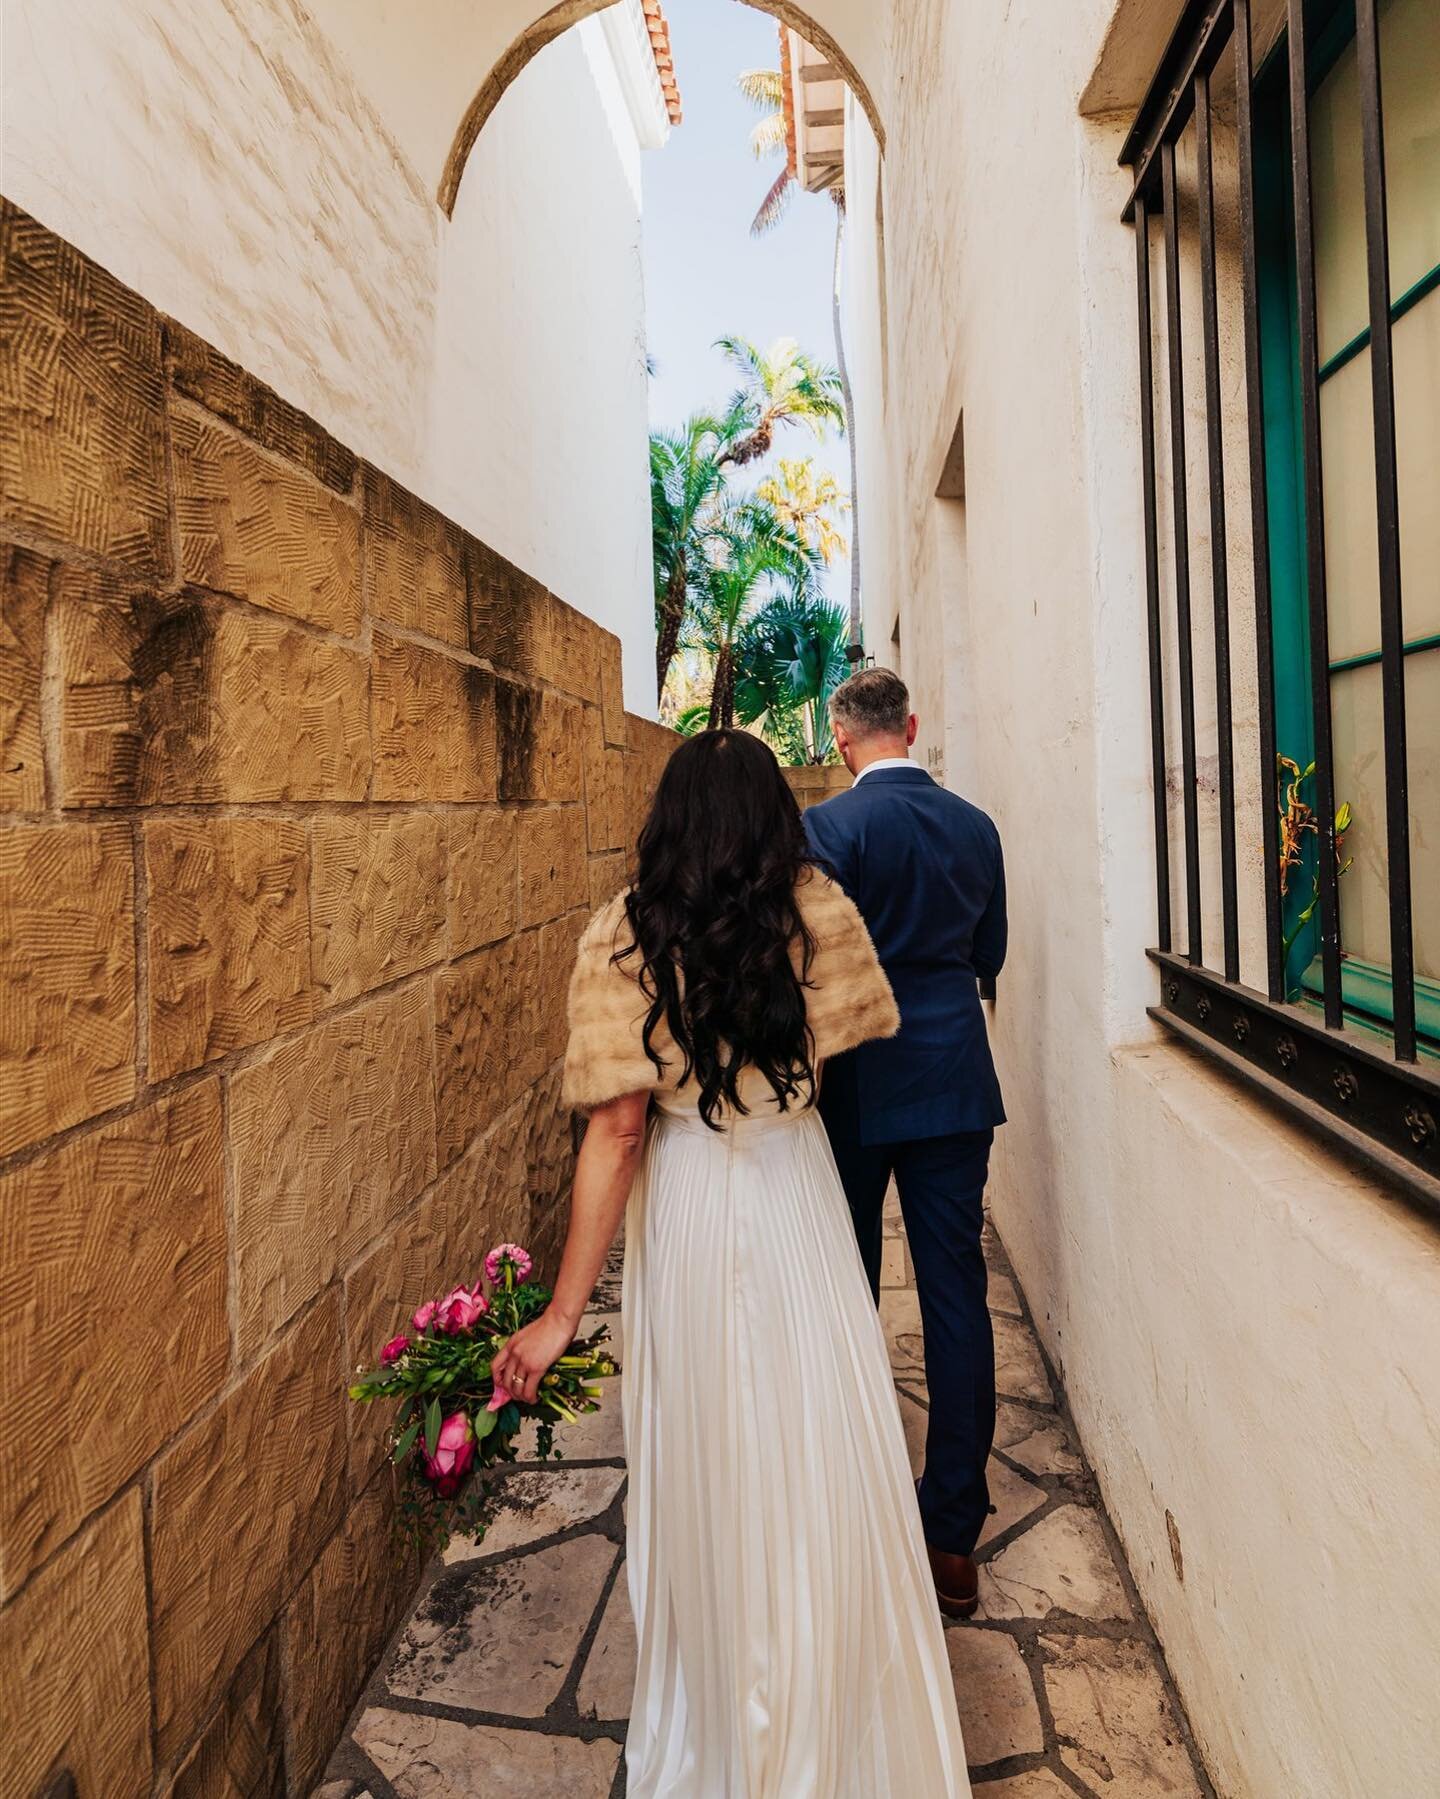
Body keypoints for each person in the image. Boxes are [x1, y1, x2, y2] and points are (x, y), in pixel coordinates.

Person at [493, 729, 970, 1798]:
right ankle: (839, 1719)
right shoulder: (817, 914)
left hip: (699, 1212)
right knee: (816, 1446)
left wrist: (564, 1310)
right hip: (795, 1192)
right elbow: (846, 1047)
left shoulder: (625, 935)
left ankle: (727, 1723)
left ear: (670, 814)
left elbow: (616, 1132)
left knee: (714, 1448)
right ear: (770, 815)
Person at [803, 668, 1007, 1622]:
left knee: (847, 1277)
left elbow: (807, 962)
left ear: (843, 736)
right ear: (912, 726)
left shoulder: (830, 831)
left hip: (855, 1080)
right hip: (955, 1076)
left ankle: (853, 1493)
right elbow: (988, 957)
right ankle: (952, 1536)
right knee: (954, 1292)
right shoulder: (977, 827)